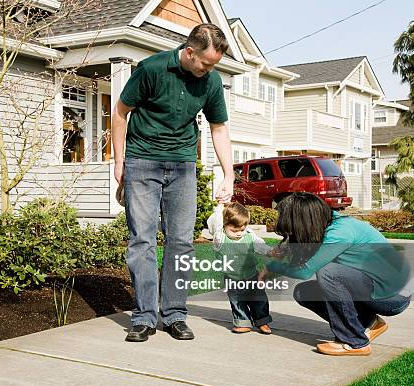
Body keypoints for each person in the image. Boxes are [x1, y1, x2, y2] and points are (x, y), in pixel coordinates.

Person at [111, 23, 235, 342]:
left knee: (181, 241)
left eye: (214, 65)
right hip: (142, 161)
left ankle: (175, 314)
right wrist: (119, 161)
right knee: (143, 240)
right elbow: (121, 112)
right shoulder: (151, 69)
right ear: (189, 52)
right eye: (206, 63)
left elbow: (218, 128)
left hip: (182, 165)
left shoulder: (211, 81)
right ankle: (144, 317)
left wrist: (229, 174)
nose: (209, 70)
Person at [264, 193, 412, 356]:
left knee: (329, 273)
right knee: (304, 292)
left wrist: (272, 266)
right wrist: (284, 253)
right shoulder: (329, 224)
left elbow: (306, 271)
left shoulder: (340, 232)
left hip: (394, 297)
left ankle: (355, 342)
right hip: (376, 286)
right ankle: (368, 323)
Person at [208, 203, 273, 334]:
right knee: (237, 302)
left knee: (259, 299)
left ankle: (262, 321)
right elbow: (215, 222)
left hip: (251, 275)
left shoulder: (249, 235)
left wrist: (270, 251)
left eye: (242, 230)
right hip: (232, 278)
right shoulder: (220, 238)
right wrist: (220, 206)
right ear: (225, 225)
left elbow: (260, 246)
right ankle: (243, 322)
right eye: (234, 230)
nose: (239, 233)